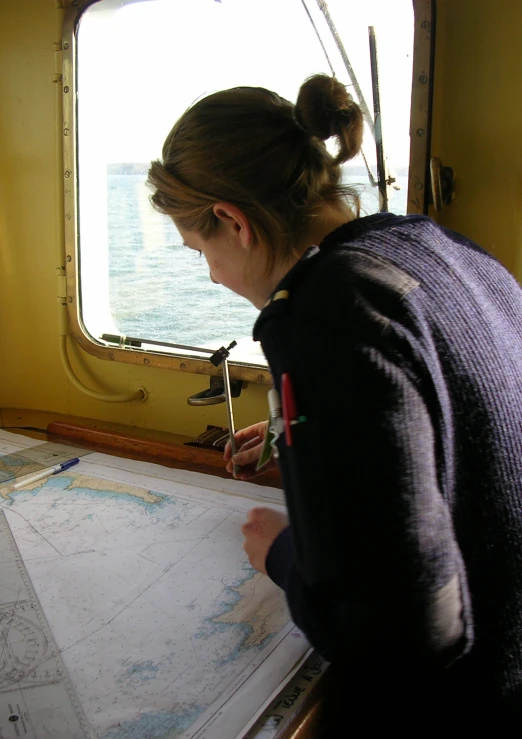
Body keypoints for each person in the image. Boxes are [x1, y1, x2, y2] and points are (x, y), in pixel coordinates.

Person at [148, 74, 522, 733]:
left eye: (200, 248)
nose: (211, 273)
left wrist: (282, 554)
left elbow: (400, 632)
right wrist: (309, 436)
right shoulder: (434, 246)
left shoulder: (325, 313)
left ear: (233, 220)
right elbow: (460, 418)